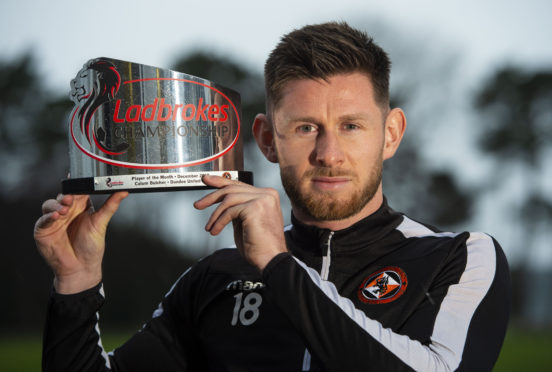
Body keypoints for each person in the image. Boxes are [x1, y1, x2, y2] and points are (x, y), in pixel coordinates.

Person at [34, 22, 511, 372]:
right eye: (306, 128)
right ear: (265, 139)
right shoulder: (214, 279)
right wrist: (76, 285)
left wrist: (280, 267)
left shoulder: (459, 257)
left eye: (351, 126)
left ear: (390, 134)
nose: (329, 154)